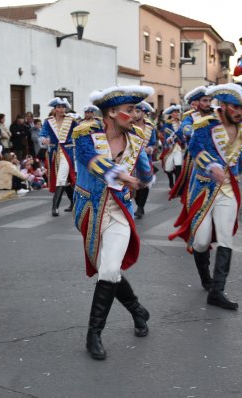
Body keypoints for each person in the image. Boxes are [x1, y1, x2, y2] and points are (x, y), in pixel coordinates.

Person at [73, 85, 154, 360]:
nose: (135, 115)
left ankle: (93, 335)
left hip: (120, 212)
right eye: (130, 110)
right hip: (91, 211)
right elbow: (89, 160)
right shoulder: (85, 134)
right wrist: (119, 174)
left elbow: (144, 172)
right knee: (107, 270)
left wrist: (143, 178)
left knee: (108, 271)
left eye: (136, 109)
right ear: (111, 112)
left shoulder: (137, 138)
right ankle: (137, 310)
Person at [169, 83, 242, 310]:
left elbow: (237, 153)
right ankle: (205, 277)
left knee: (226, 238)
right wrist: (211, 166)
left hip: (227, 190)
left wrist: (238, 169)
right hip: (203, 189)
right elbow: (196, 149)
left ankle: (217, 291)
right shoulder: (204, 125)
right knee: (200, 241)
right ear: (225, 106)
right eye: (236, 107)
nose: (240, 112)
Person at [169, 87, 212, 201]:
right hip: (196, 155)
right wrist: (192, 133)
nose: (208, 104)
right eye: (204, 101)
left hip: (214, 155)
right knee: (194, 183)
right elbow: (184, 128)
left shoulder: (215, 114)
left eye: (209, 100)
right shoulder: (190, 117)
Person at [40, 98, 77, 216]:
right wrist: (44, 139)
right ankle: (73, 202)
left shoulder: (71, 120)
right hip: (54, 153)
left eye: (63, 107)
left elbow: (79, 132)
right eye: (58, 107)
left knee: (61, 178)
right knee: (64, 180)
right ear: (54, 109)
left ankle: (54, 207)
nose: (61, 109)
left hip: (67, 152)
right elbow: (42, 133)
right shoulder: (48, 121)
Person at [132, 101, 158, 219]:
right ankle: (137, 203)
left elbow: (154, 143)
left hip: (145, 160)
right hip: (130, 159)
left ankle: (140, 207)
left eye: (138, 111)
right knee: (133, 184)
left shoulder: (150, 127)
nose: (135, 114)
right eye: (133, 111)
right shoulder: (128, 124)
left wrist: (150, 149)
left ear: (144, 113)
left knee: (144, 184)